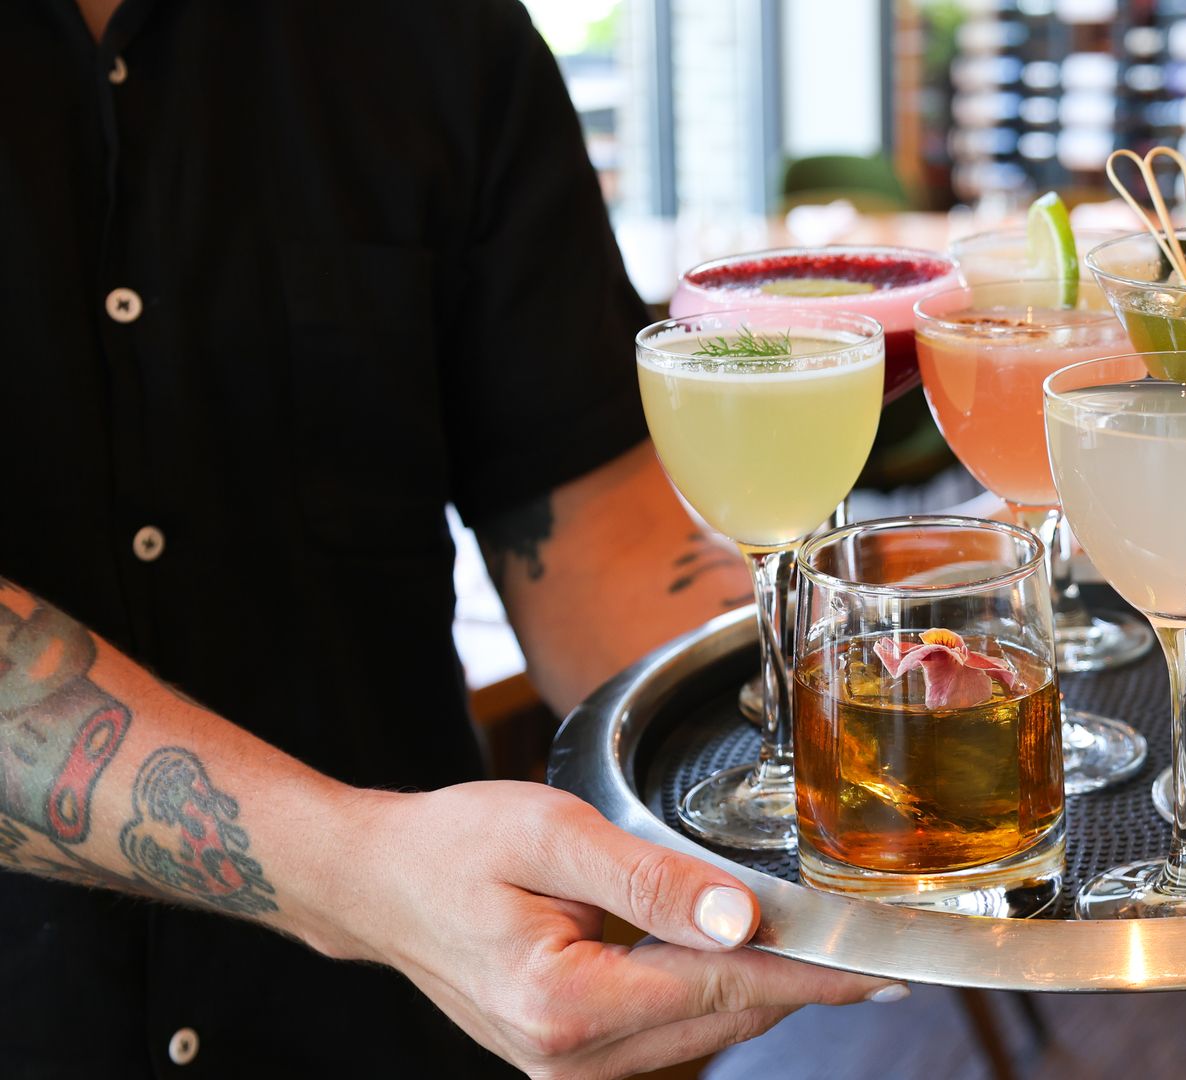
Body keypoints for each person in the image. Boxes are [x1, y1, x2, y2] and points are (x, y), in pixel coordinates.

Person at [0, 1, 901, 1076]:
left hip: (397, 1029)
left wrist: (844, 725)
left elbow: (591, 540)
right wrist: (351, 871)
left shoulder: (441, 34)